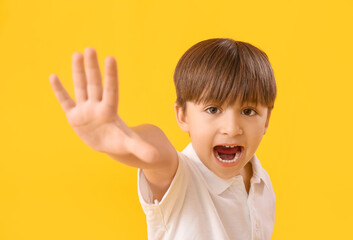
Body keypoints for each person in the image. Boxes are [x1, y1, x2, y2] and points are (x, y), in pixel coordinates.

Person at [49, 38, 277, 240]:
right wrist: (127, 138)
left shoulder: (260, 180)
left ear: (266, 121)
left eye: (248, 111)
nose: (231, 128)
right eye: (213, 109)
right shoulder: (179, 178)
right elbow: (159, 154)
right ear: (183, 116)